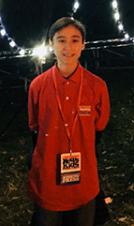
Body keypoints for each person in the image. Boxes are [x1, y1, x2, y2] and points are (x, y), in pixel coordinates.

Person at [28, 17, 111, 226]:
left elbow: (99, 128)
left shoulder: (97, 86)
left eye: (75, 40)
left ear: (83, 45)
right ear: (51, 44)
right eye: (61, 40)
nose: (68, 47)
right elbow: (34, 127)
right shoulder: (38, 86)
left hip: (85, 176)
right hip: (48, 176)